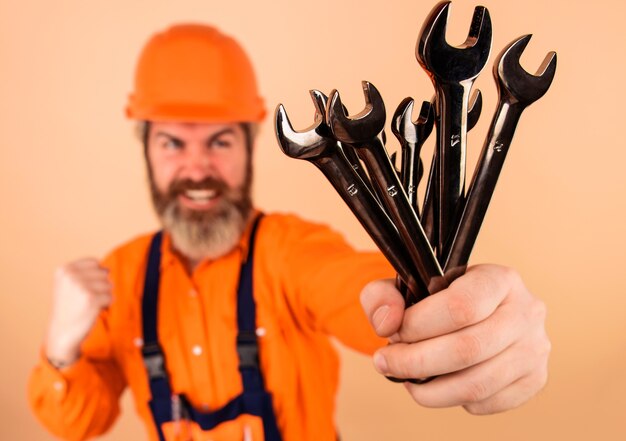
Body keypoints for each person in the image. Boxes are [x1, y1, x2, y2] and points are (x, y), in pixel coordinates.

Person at [28, 23, 550, 441]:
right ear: (145, 151)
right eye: (171, 143)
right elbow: (79, 423)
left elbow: (374, 297)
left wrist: (470, 317)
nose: (197, 167)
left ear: (249, 147)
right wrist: (60, 350)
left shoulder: (290, 252)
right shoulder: (116, 279)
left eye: (220, 141)